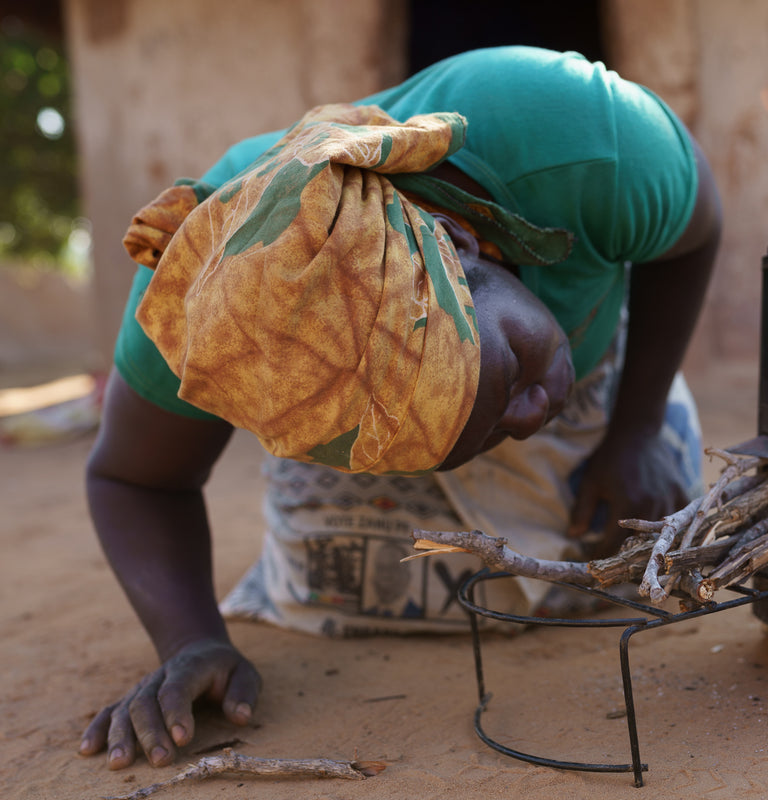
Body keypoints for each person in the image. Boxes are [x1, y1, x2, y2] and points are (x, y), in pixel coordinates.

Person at [78, 46, 721, 770]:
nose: (531, 419)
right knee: (341, 597)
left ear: (461, 242)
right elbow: (130, 478)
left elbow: (696, 231)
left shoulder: (575, 135)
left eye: (510, 374)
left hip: (600, 324)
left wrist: (634, 429)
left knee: (647, 549)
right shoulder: (190, 320)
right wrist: (191, 638)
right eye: (475, 436)